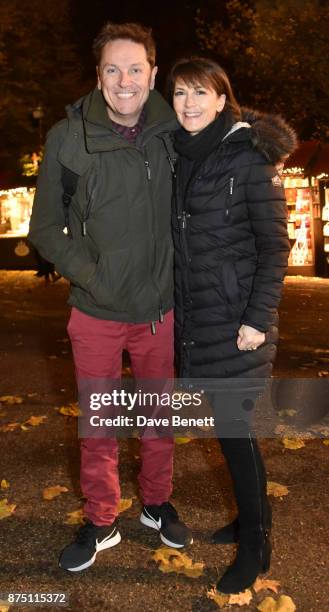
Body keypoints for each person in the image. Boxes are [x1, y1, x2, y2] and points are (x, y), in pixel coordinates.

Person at [28, 22, 192, 573]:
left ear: (153, 71)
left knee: (157, 418)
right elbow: (46, 228)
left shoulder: (178, 129)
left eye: (136, 68)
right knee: (98, 426)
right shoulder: (67, 138)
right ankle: (101, 521)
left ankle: (155, 504)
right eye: (113, 69)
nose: (125, 81)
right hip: (96, 313)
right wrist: (92, 276)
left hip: (159, 312)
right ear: (98, 76)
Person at [168, 57, 297, 593]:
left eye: (201, 93)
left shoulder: (248, 157)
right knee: (229, 433)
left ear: (223, 100)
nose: (189, 103)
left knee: (237, 433)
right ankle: (248, 519)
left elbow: (274, 246)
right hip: (201, 317)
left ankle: (257, 542)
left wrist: (257, 320)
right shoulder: (182, 156)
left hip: (238, 323)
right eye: (179, 93)